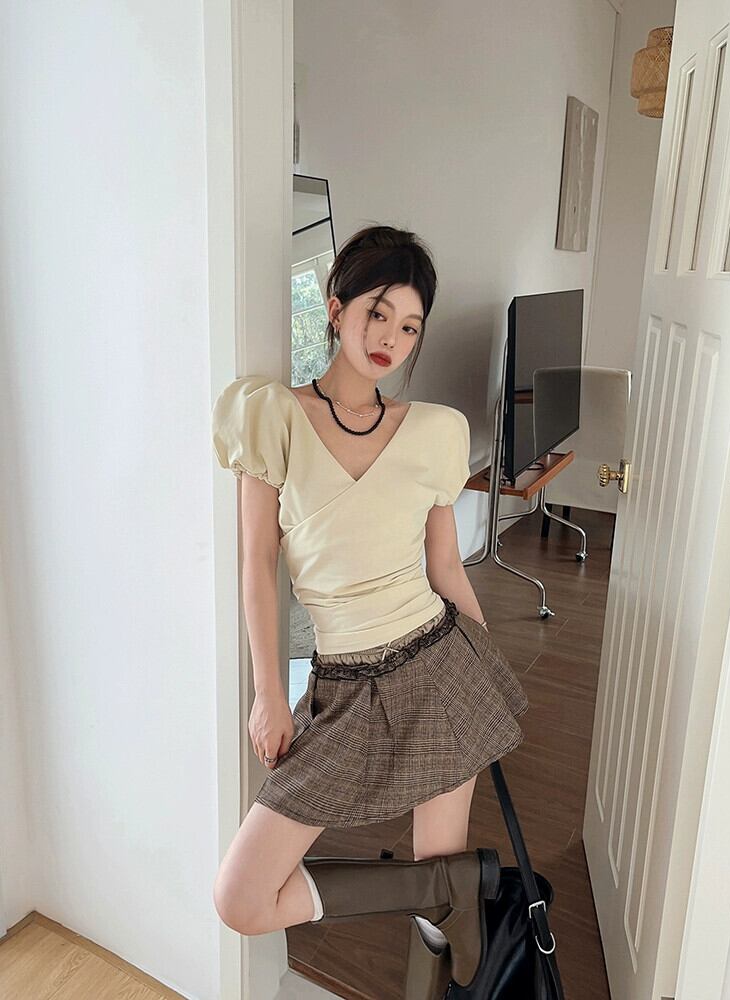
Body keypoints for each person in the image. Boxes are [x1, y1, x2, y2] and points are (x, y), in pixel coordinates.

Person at [210, 225, 529, 990]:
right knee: (242, 899)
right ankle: (445, 887)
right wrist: (267, 694)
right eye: (377, 313)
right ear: (335, 308)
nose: (391, 338)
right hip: (345, 686)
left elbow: (444, 564)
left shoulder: (435, 431)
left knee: (438, 901)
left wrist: (485, 674)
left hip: (440, 663)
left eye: (410, 325)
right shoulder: (272, 417)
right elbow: (256, 566)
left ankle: (442, 898)